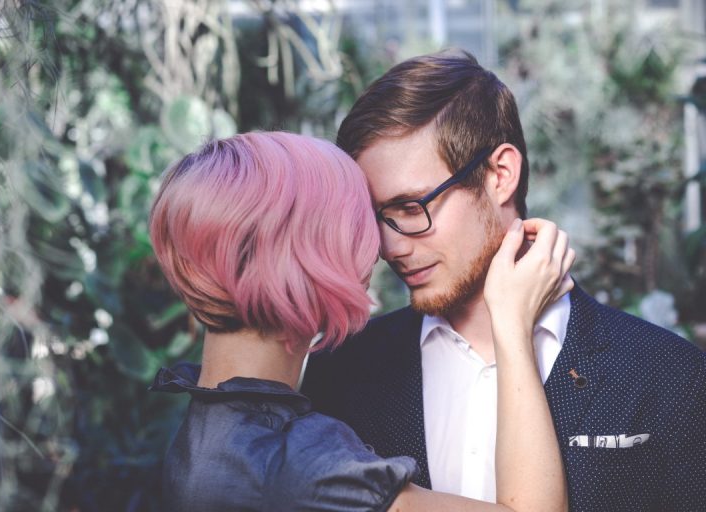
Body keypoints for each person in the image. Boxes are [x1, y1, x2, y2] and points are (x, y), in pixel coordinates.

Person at [301, 50, 706, 512]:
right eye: (377, 217)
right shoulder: (342, 371)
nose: (391, 247)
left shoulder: (670, 374)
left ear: (500, 175)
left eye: (412, 208)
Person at [148, 131, 573, 511]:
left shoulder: (207, 427)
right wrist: (512, 322)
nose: (382, 250)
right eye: (361, 225)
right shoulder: (297, 463)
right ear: (308, 257)